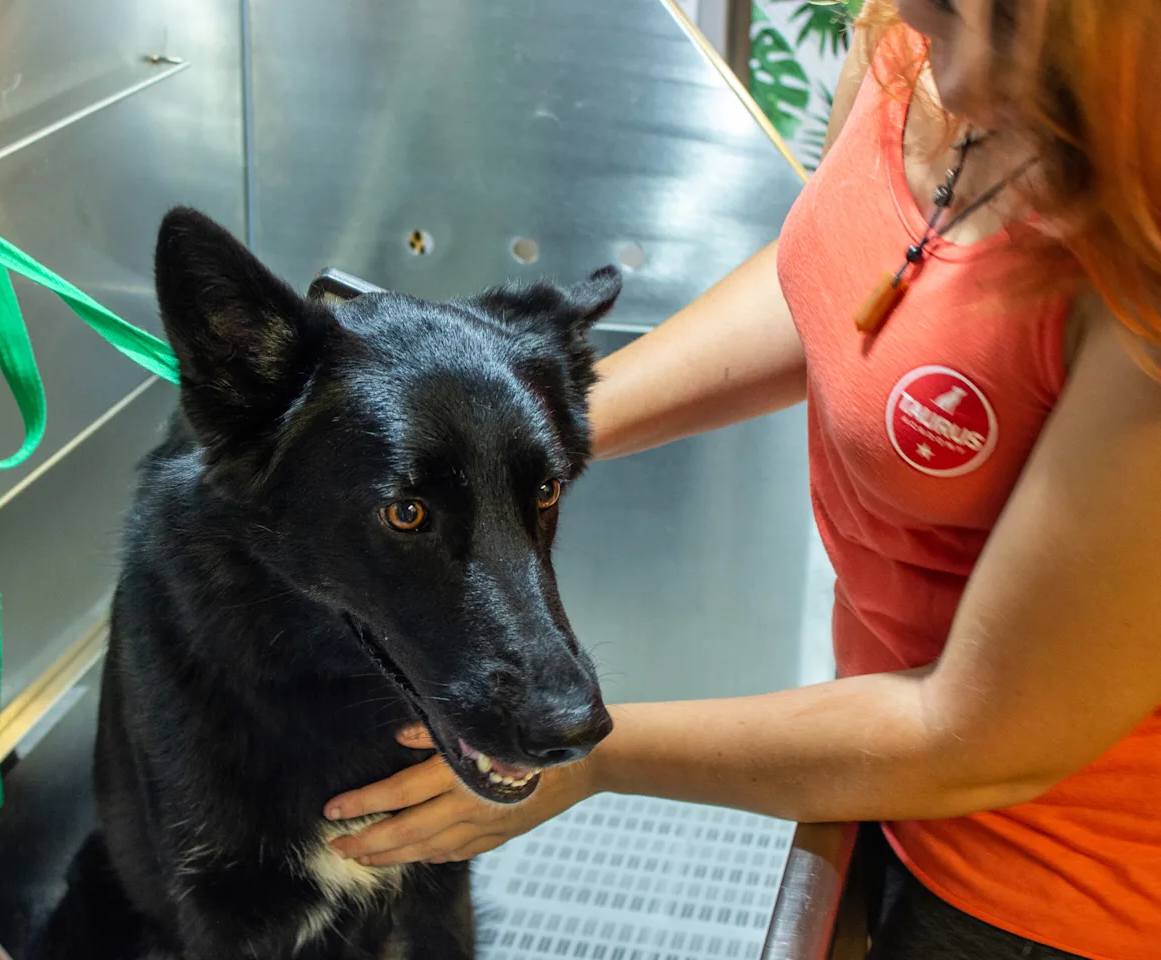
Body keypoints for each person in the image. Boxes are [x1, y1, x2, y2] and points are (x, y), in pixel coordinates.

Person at [320, 2, 1161, 957]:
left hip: (1049, 890)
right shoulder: (902, 47)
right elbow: (838, 277)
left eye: (1014, 35)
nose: (958, 80)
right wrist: (528, 433)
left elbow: (973, 737)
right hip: (882, 772)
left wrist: (591, 762)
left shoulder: (1144, 293)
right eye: (942, 10)